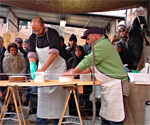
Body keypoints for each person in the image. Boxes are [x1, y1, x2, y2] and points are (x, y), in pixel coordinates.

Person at [61, 26, 130, 125]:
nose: (87, 41)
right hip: (109, 87)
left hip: (117, 86)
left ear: (95, 36)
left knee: (115, 119)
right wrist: (75, 71)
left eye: (88, 38)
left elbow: (88, 61)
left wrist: (73, 73)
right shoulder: (101, 45)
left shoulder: (102, 46)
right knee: (106, 117)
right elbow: (91, 68)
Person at [28, 16, 68, 125]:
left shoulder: (52, 34)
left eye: (38, 30)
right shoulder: (32, 38)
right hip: (43, 72)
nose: (36, 33)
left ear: (43, 25)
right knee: (43, 102)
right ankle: (41, 121)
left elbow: (53, 53)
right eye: (34, 30)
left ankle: (59, 122)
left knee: (58, 102)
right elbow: (32, 53)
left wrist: (42, 69)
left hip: (57, 70)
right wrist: (32, 65)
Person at [2, 42, 26, 111]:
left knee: (20, 94)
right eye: (11, 50)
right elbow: (6, 70)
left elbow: (24, 67)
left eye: (14, 50)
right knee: (11, 95)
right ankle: (11, 108)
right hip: (11, 79)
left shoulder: (21, 57)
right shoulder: (6, 58)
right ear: (9, 51)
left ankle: (19, 108)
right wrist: (13, 77)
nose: (13, 51)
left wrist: (20, 76)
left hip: (20, 79)